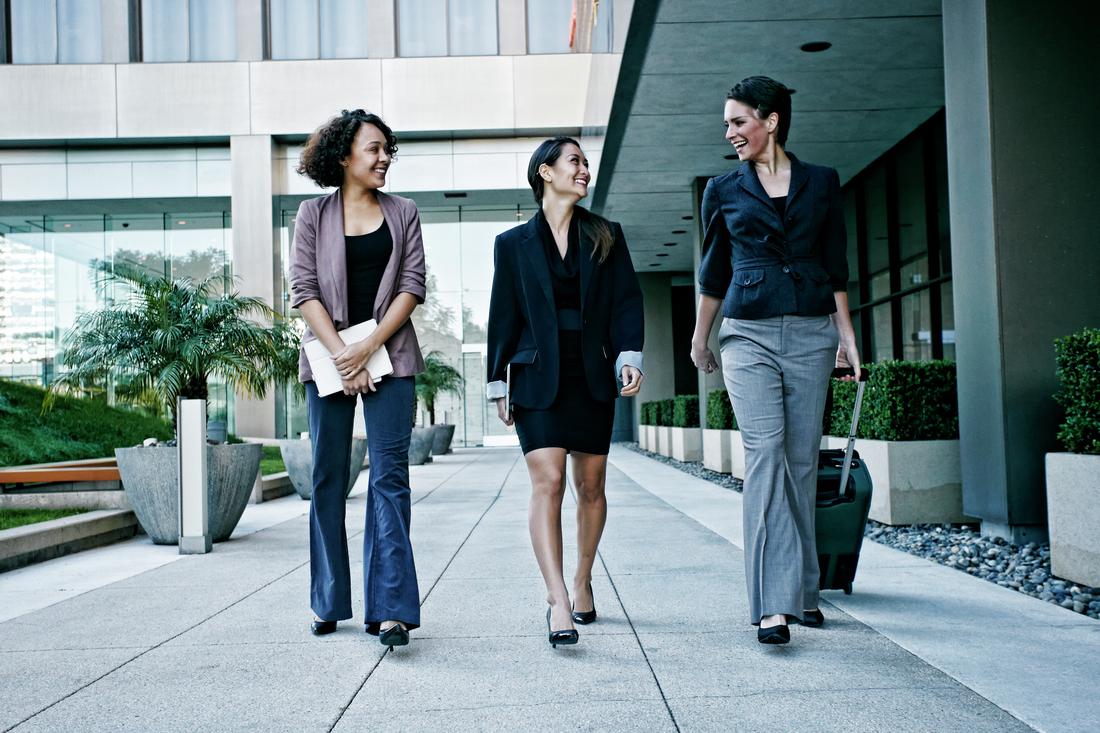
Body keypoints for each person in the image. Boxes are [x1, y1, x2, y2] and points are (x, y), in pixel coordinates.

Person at [690, 77, 861, 645]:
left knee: (800, 460)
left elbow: (835, 265)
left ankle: (805, 590)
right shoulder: (723, 188)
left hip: (812, 331)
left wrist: (847, 337)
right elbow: (714, 272)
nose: (730, 132)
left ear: (771, 121)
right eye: (728, 124)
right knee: (764, 455)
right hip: (748, 335)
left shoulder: (822, 182)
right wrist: (700, 337)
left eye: (738, 121)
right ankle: (772, 605)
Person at [486, 136, 644, 648]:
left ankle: (581, 578)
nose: (584, 170)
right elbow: (503, 316)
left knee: (591, 486)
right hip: (536, 376)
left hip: (591, 373)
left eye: (584, 162)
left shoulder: (606, 235)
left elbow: (626, 302)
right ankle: (557, 598)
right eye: (574, 161)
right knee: (548, 481)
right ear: (545, 173)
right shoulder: (512, 245)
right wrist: (496, 381)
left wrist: (628, 355)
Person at [289, 109, 427, 650]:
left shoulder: (404, 212)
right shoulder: (312, 214)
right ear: (344, 156)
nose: (384, 158)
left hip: (392, 358)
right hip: (329, 360)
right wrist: (342, 353)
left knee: (390, 479)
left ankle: (391, 610)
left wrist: (368, 348)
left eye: (388, 149)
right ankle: (327, 601)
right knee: (327, 477)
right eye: (373, 149)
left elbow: (413, 284)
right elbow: (304, 289)